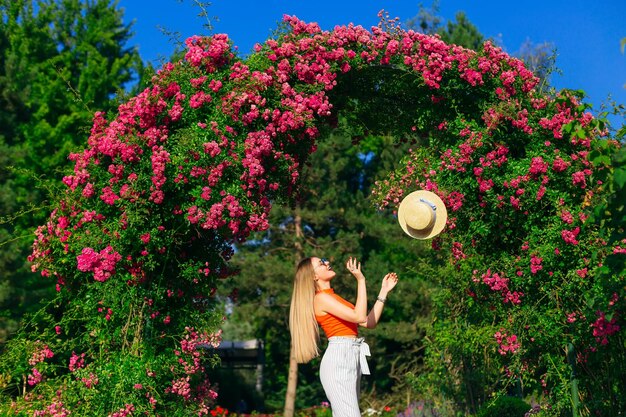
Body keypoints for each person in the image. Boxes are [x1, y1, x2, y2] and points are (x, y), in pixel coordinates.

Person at [289, 256, 398, 417]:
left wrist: (384, 291)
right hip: (339, 358)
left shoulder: (332, 297)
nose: (327, 263)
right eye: (322, 263)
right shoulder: (321, 299)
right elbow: (359, 316)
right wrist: (360, 280)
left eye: (325, 260)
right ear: (314, 276)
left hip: (351, 355)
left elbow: (368, 322)